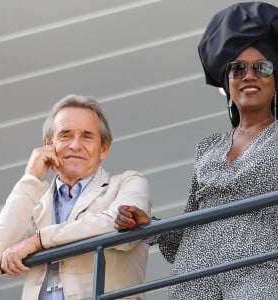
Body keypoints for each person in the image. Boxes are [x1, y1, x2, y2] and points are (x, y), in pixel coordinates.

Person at [115, 2, 278, 299]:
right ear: (227, 83)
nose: (249, 75)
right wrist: (150, 226)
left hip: (259, 277)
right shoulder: (208, 148)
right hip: (194, 281)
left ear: (275, 80)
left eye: (262, 67)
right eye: (237, 68)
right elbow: (188, 230)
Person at [0, 94, 151, 300]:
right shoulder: (35, 197)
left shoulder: (128, 183)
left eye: (87, 136)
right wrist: (30, 178)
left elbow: (114, 226)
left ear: (104, 148)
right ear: (48, 144)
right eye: (65, 135)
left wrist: (38, 241)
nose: (75, 145)